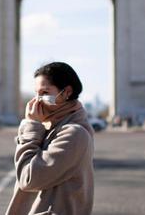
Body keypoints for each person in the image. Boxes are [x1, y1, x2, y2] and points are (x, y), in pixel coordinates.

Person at [6, 62, 94, 215]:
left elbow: (28, 179)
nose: (37, 100)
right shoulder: (49, 127)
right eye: (36, 93)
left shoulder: (75, 134)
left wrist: (31, 125)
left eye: (45, 92)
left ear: (67, 92)